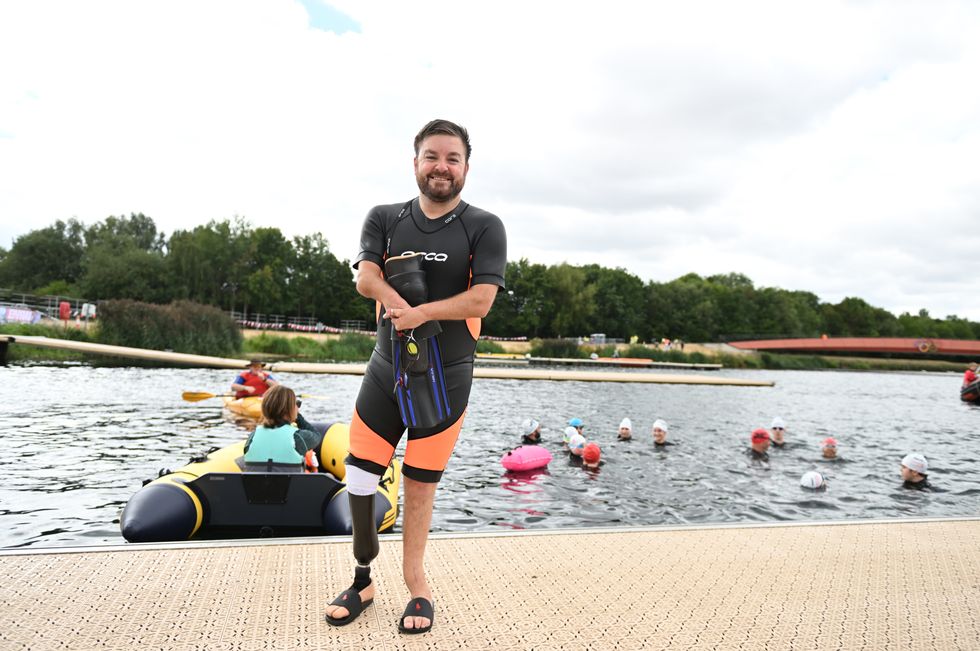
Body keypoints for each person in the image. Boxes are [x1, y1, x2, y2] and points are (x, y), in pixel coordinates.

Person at [324, 119, 506, 635]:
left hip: (447, 377)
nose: (441, 167)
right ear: (416, 163)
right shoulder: (385, 217)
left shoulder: (484, 226)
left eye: (452, 158)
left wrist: (423, 314)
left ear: (466, 168)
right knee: (359, 477)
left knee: (420, 484)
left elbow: (481, 299)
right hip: (387, 370)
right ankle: (362, 577)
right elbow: (366, 277)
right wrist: (397, 302)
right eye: (432, 156)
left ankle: (417, 585)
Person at [242, 385, 321, 472]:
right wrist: (298, 417)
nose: (298, 407)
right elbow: (316, 436)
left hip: (256, 485)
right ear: (289, 409)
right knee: (329, 476)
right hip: (290, 485)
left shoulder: (254, 435)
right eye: (297, 404)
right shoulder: (297, 437)